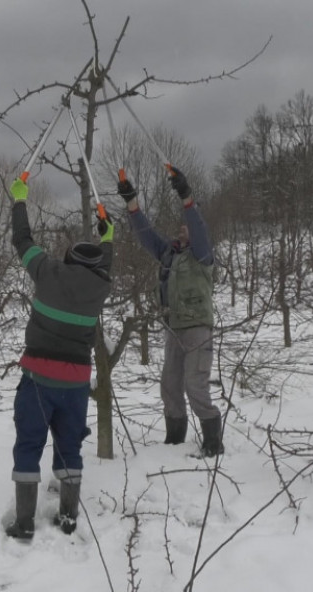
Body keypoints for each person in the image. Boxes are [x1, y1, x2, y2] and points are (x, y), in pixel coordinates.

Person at [4, 177, 114, 540]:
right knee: (69, 447)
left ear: (68, 259)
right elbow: (105, 261)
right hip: (76, 386)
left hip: (38, 380)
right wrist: (108, 235)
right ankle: (68, 517)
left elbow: (23, 241)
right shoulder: (101, 287)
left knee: (28, 444)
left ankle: (24, 523)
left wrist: (20, 200)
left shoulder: (47, 271)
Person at [118, 168, 224, 458]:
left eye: (187, 226)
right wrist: (132, 204)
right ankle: (175, 440)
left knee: (195, 384)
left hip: (198, 329)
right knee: (170, 386)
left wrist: (186, 196)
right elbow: (145, 235)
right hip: (173, 328)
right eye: (181, 226)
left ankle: (213, 441)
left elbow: (198, 225)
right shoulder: (169, 253)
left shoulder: (202, 254)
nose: (182, 229)